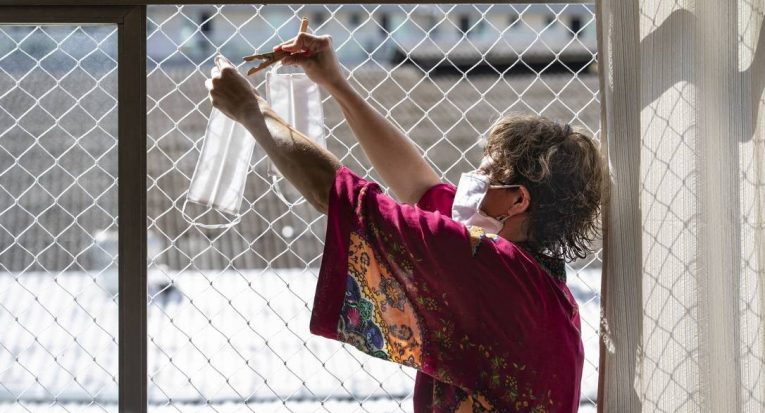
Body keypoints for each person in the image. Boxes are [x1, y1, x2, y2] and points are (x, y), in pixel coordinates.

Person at [205, 27, 605, 413]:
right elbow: (418, 185)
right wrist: (335, 83)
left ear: (518, 199)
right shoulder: (540, 284)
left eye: (486, 174)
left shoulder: (488, 265)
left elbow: (339, 195)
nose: (471, 181)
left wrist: (251, 110)